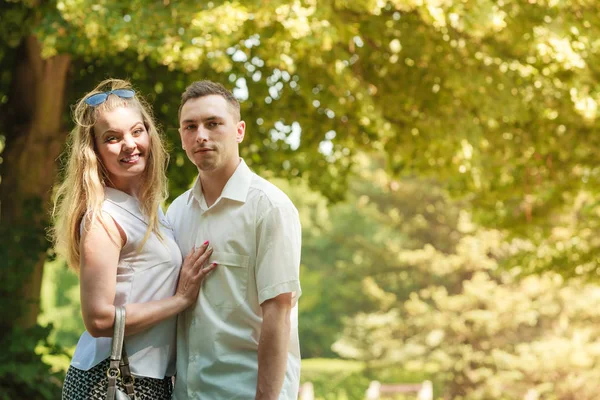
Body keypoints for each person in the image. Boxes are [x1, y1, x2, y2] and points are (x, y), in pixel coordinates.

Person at [52, 79, 217, 400]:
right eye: (112, 138)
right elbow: (98, 319)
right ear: (96, 151)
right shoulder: (104, 217)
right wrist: (180, 300)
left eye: (137, 131)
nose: (129, 144)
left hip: (151, 380)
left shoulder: (153, 209)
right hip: (109, 380)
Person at [166, 80, 302, 399]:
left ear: (239, 130)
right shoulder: (176, 213)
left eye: (213, 124)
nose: (201, 135)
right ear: (182, 138)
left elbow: (278, 315)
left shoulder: (269, 208)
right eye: (190, 126)